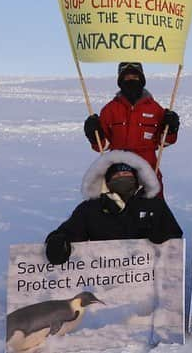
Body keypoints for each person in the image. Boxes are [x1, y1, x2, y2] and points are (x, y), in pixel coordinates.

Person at [44, 150, 183, 265]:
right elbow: (69, 231)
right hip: (105, 281)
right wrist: (58, 242)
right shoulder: (91, 208)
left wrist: (163, 236)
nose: (123, 177)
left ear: (136, 179)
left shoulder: (153, 204)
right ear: (107, 182)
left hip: (147, 282)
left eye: (127, 174)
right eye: (117, 175)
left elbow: (175, 235)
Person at [83, 62, 180, 196]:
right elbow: (103, 145)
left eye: (135, 77)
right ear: (120, 81)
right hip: (118, 175)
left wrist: (171, 128)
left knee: (153, 214)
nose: (131, 81)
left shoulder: (155, 109)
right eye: (127, 78)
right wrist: (93, 134)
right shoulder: (110, 110)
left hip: (148, 175)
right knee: (117, 213)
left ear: (142, 80)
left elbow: (164, 142)